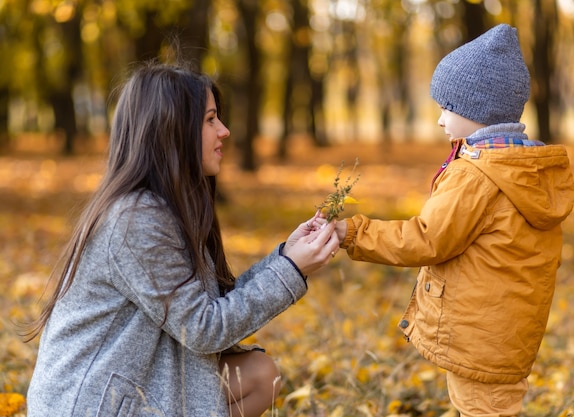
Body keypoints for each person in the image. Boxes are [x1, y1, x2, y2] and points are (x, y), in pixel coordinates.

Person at [25, 62, 340, 417]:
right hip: (93, 404)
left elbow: (208, 305)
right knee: (255, 374)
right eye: (209, 120)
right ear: (172, 130)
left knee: (260, 375)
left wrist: (286, 256)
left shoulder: (167, 208)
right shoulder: (135, 220)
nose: (224, 131)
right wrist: (290, 270)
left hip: (142, 379)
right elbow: (204, 329)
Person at [332, 24, 574, 416]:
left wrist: (352, 232)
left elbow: (426, 239)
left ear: (476, 109)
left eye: (446, 108)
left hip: (476, 338)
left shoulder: (477, 176)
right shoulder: (526, 168)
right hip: (505, 335)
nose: (441, 121)